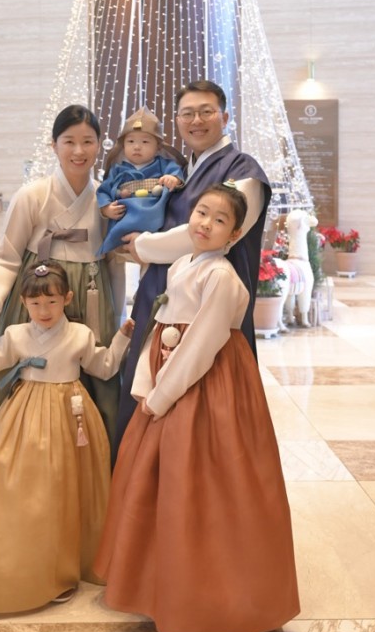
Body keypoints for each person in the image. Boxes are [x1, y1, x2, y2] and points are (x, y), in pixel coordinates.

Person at [95, 183, 300, 632]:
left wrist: (162, 395)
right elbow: (161, 331)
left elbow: (201, 345)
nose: (205, 224)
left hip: (209, 386)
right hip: (170, 379)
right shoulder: (182, 263)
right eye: (201, 212)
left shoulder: (221, 277)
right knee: (161, 482)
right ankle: (159, 584)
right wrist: (146, 383)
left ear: (235, 234)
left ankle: (215, 596)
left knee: (206, 484)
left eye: (219, 220)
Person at [0, 104, 121, 552]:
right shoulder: (32, 196)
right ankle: (1, 525)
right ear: (54, 145)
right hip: (33, 305)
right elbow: (7, 261)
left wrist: (116, 316)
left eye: (87, 141)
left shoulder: (106, 199)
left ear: (100, 145)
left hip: (92, 304)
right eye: (69, 141)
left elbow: (114, 264)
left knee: (96, 402)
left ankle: (88, 529)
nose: (78, 150)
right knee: (8, 405)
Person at [0, 262, 134, 613]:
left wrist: (123, 336)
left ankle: (63, 564)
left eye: (52, 302)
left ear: (67, 298)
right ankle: (18, 559)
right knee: (22, 484)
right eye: (35, 303)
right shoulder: (16, 334)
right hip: (24, 413)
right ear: (23, 302)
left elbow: (104, 367)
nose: (44, 310)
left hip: (72, 414)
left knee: (65, 485)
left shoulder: (80, 334)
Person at [113, 79, 272, 457]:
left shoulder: (244, 171)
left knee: (202, 415)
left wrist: (143, 246)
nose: (196, 121)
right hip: (160, 298)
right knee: (144, 394)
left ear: (225, 117)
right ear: (177, 120)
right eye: (187, 113)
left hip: (207, 306)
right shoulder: (179, 172)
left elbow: (203, 234)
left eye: (206, 112)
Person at [96, 106, 186, 256]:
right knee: (119, 243)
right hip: (125, 215)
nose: (137, 147)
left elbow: (177, 174)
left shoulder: (163, 164)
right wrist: (106, 209)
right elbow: (104, 190)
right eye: (131, 141)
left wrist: (173, 179)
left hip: (155, 214)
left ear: (158, 147)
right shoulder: (118, 169)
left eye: (145, 142)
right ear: (123, 145)